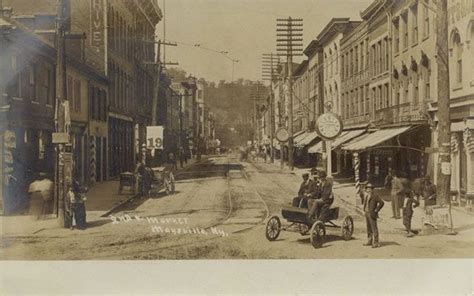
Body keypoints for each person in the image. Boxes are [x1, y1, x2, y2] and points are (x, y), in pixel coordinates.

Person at [360, 183, 384, 248]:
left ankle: (376, 242)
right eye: (367, 188)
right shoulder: (366, 195)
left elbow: (381, 203)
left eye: (370, 188)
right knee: (368, 228)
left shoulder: (375, 195)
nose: (369, 190)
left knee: (374, 228)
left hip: (372, 213)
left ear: (372, 189)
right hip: (366, 213)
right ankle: (369, 240)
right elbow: (361, 197)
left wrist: (376, 210)